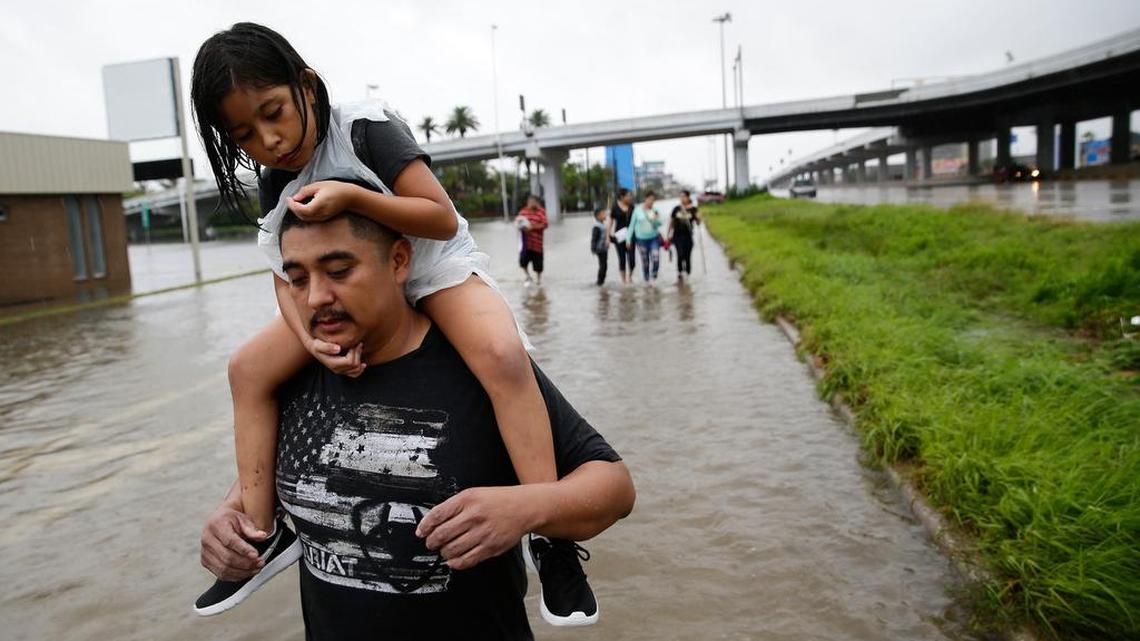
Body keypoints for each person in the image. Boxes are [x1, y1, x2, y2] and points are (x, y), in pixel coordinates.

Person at [189, 22, 591, 622]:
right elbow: (282, 271)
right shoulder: (277, 177)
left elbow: (438, 219)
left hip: (434, 268)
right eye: (243, 133)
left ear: (307, 84)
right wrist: (309, 340)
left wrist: (353, 199)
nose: (269, 141)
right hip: (354, 291)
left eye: (273, 113)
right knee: (247, 367)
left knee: (503, 356)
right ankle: (259, 525)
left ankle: (549, 535)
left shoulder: (365, 130)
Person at [199, 209, 636, 639]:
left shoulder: (482, 368)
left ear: (399, 261)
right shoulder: (291, 380)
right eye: (297, 279)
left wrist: (526, 508)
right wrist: (229, 521)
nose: (316, 297)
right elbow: (265, 477)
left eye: (338, 270)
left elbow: (614, 488)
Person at [625, 191, 664, 285]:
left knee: (656, 258)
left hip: (653, 238)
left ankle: (654, 277)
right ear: (645, 199)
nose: (651, 202)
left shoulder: (655, 210)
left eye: (653, 200)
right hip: (641, 240)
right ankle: (647, 280)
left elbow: (659, 224)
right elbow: (631, 226)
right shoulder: (637, 210)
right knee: (645, 261)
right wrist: (628, 239)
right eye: (650, 199)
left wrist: (656, 219)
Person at [668, 190, 701, 282]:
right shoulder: (676, 209)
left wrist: (698, 218)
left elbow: (698, 222)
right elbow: (671, 222)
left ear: (688, 197)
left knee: (687, 256)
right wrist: (668, 234)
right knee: (680, 254)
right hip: (677, 236)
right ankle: (680, 273)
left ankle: (688, 273)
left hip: (688, 237)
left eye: (683, 196)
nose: (682, 198)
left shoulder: (693, 209)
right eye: (680, 196)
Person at [516, 194, 547, 285]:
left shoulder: (541, 212)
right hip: (526, 244)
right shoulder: (523, 212)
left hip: (537, 244)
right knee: (523, 261)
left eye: (533, 202)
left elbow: (545, 224)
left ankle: (538, 279)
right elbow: (518, 223)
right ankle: (528, 276)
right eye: (530, 202)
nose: (531, 204)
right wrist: (522, 227)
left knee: (538, 264)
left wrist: (532, 227)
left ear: (537, 203)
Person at [607, 189, 635, 283]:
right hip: (619, 236)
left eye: (630, 195)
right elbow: (610, 222)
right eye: (628, 195)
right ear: (622, 197)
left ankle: (630, 276)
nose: (630, 197)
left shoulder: (632, 207)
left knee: (632, 259)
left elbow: (636, 221)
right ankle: (624, 281)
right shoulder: (615, 208)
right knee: (622, 259)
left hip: (631, 236)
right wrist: (607, 235)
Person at [590, 208, 609, 286]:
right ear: (598, 216)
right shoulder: (597, 226)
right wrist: (593, 249)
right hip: (599, 249)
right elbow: (594, 238)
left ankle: (601, 281)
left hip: (604, 249)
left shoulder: (603, 225)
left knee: (604, 265)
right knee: (603, 266)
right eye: (603, 214)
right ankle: (599, 282)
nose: (605, 215)